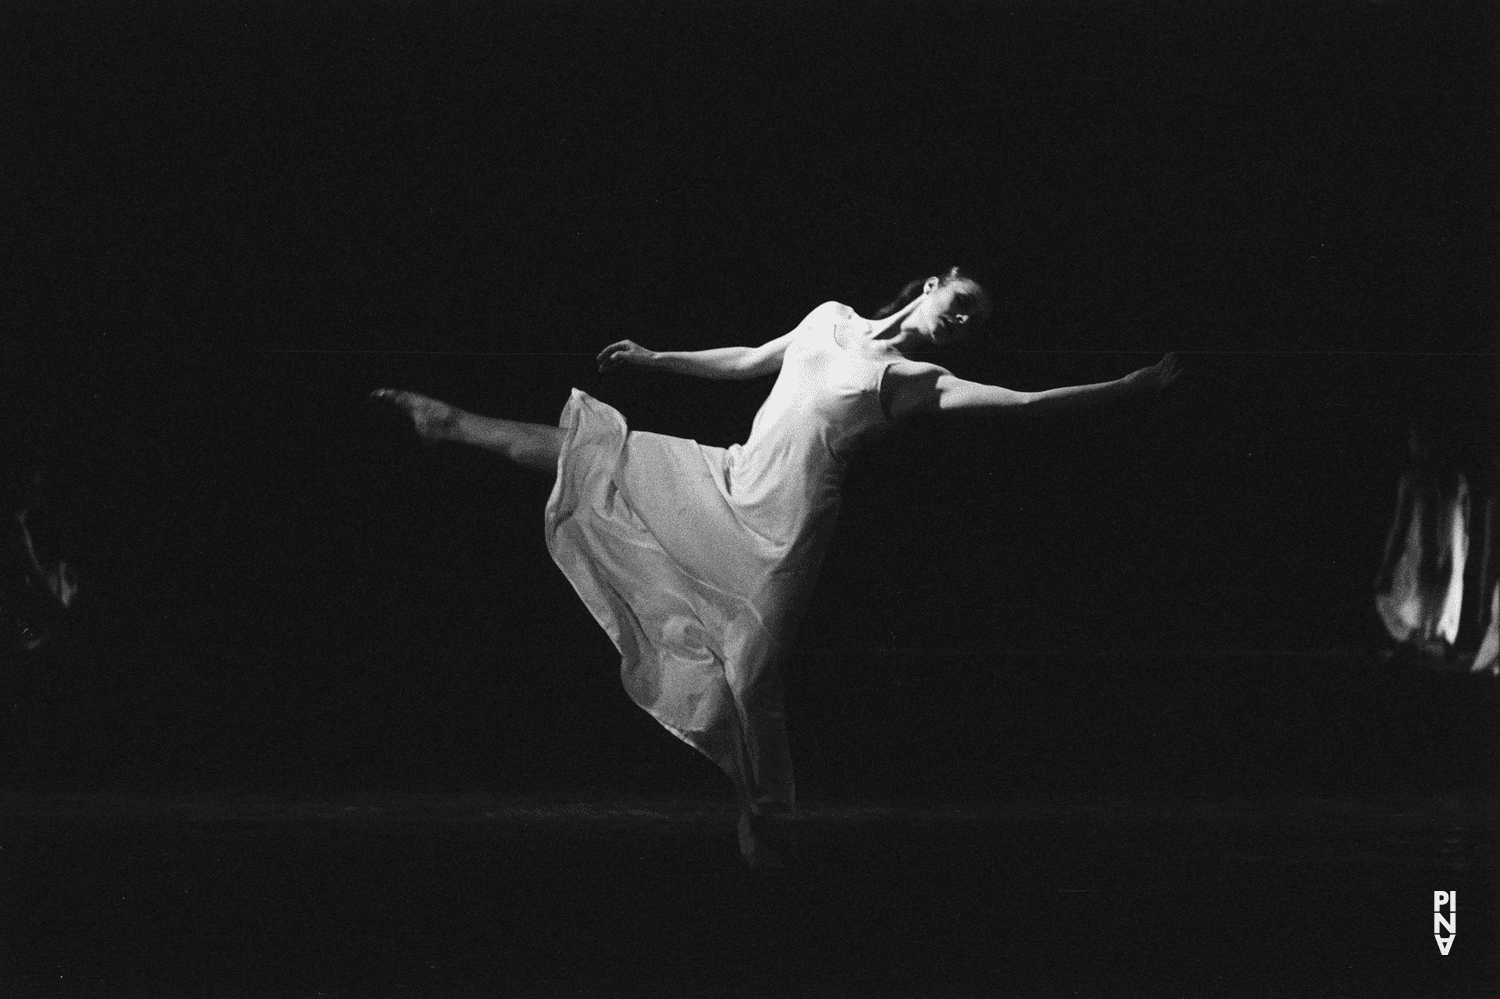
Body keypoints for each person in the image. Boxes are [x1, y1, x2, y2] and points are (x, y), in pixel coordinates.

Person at [372, 267, 1181, 866]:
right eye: (959, 302)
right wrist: (658, 358)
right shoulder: (830, 319)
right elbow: (750, 359)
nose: (961, 321)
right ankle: (449, 421)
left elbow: (1027, 404)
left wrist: (1126, 385)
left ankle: (753, 812)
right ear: (930, 286)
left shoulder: (914, 381)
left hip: (786, 532)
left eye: (973, 321)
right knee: (602, 457)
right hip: (730, 476)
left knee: (750, 672)